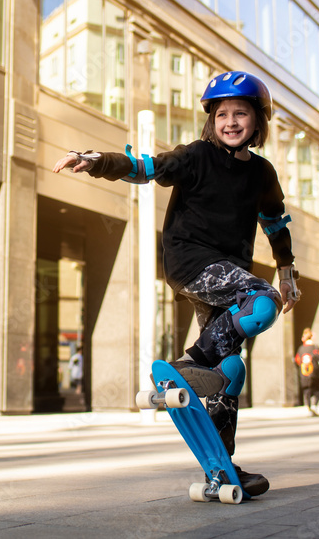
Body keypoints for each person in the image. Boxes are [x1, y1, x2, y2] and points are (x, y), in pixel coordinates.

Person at [52, 71, 300, 497]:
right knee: (261, 303)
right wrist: (97, 161)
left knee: (231, 370)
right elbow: (147, 166)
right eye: (222, 114)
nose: (231, 121)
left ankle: (220, 469)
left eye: (241, 113)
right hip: (191, 261)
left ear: (258, 121)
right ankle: (192, 362)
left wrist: (287, 270)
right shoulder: (196, 156)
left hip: (226, 272)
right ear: (211, 119)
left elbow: (274, 222)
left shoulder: (262, 173)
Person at [295, 328, 319, 416]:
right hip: (315, 374)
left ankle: (309, 409)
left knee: (307, 392)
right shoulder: (316, 348)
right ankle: (314, 406)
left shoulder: (301, 349)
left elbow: (297, 360)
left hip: (304, 374)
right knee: (318, 391)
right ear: (312, 337)